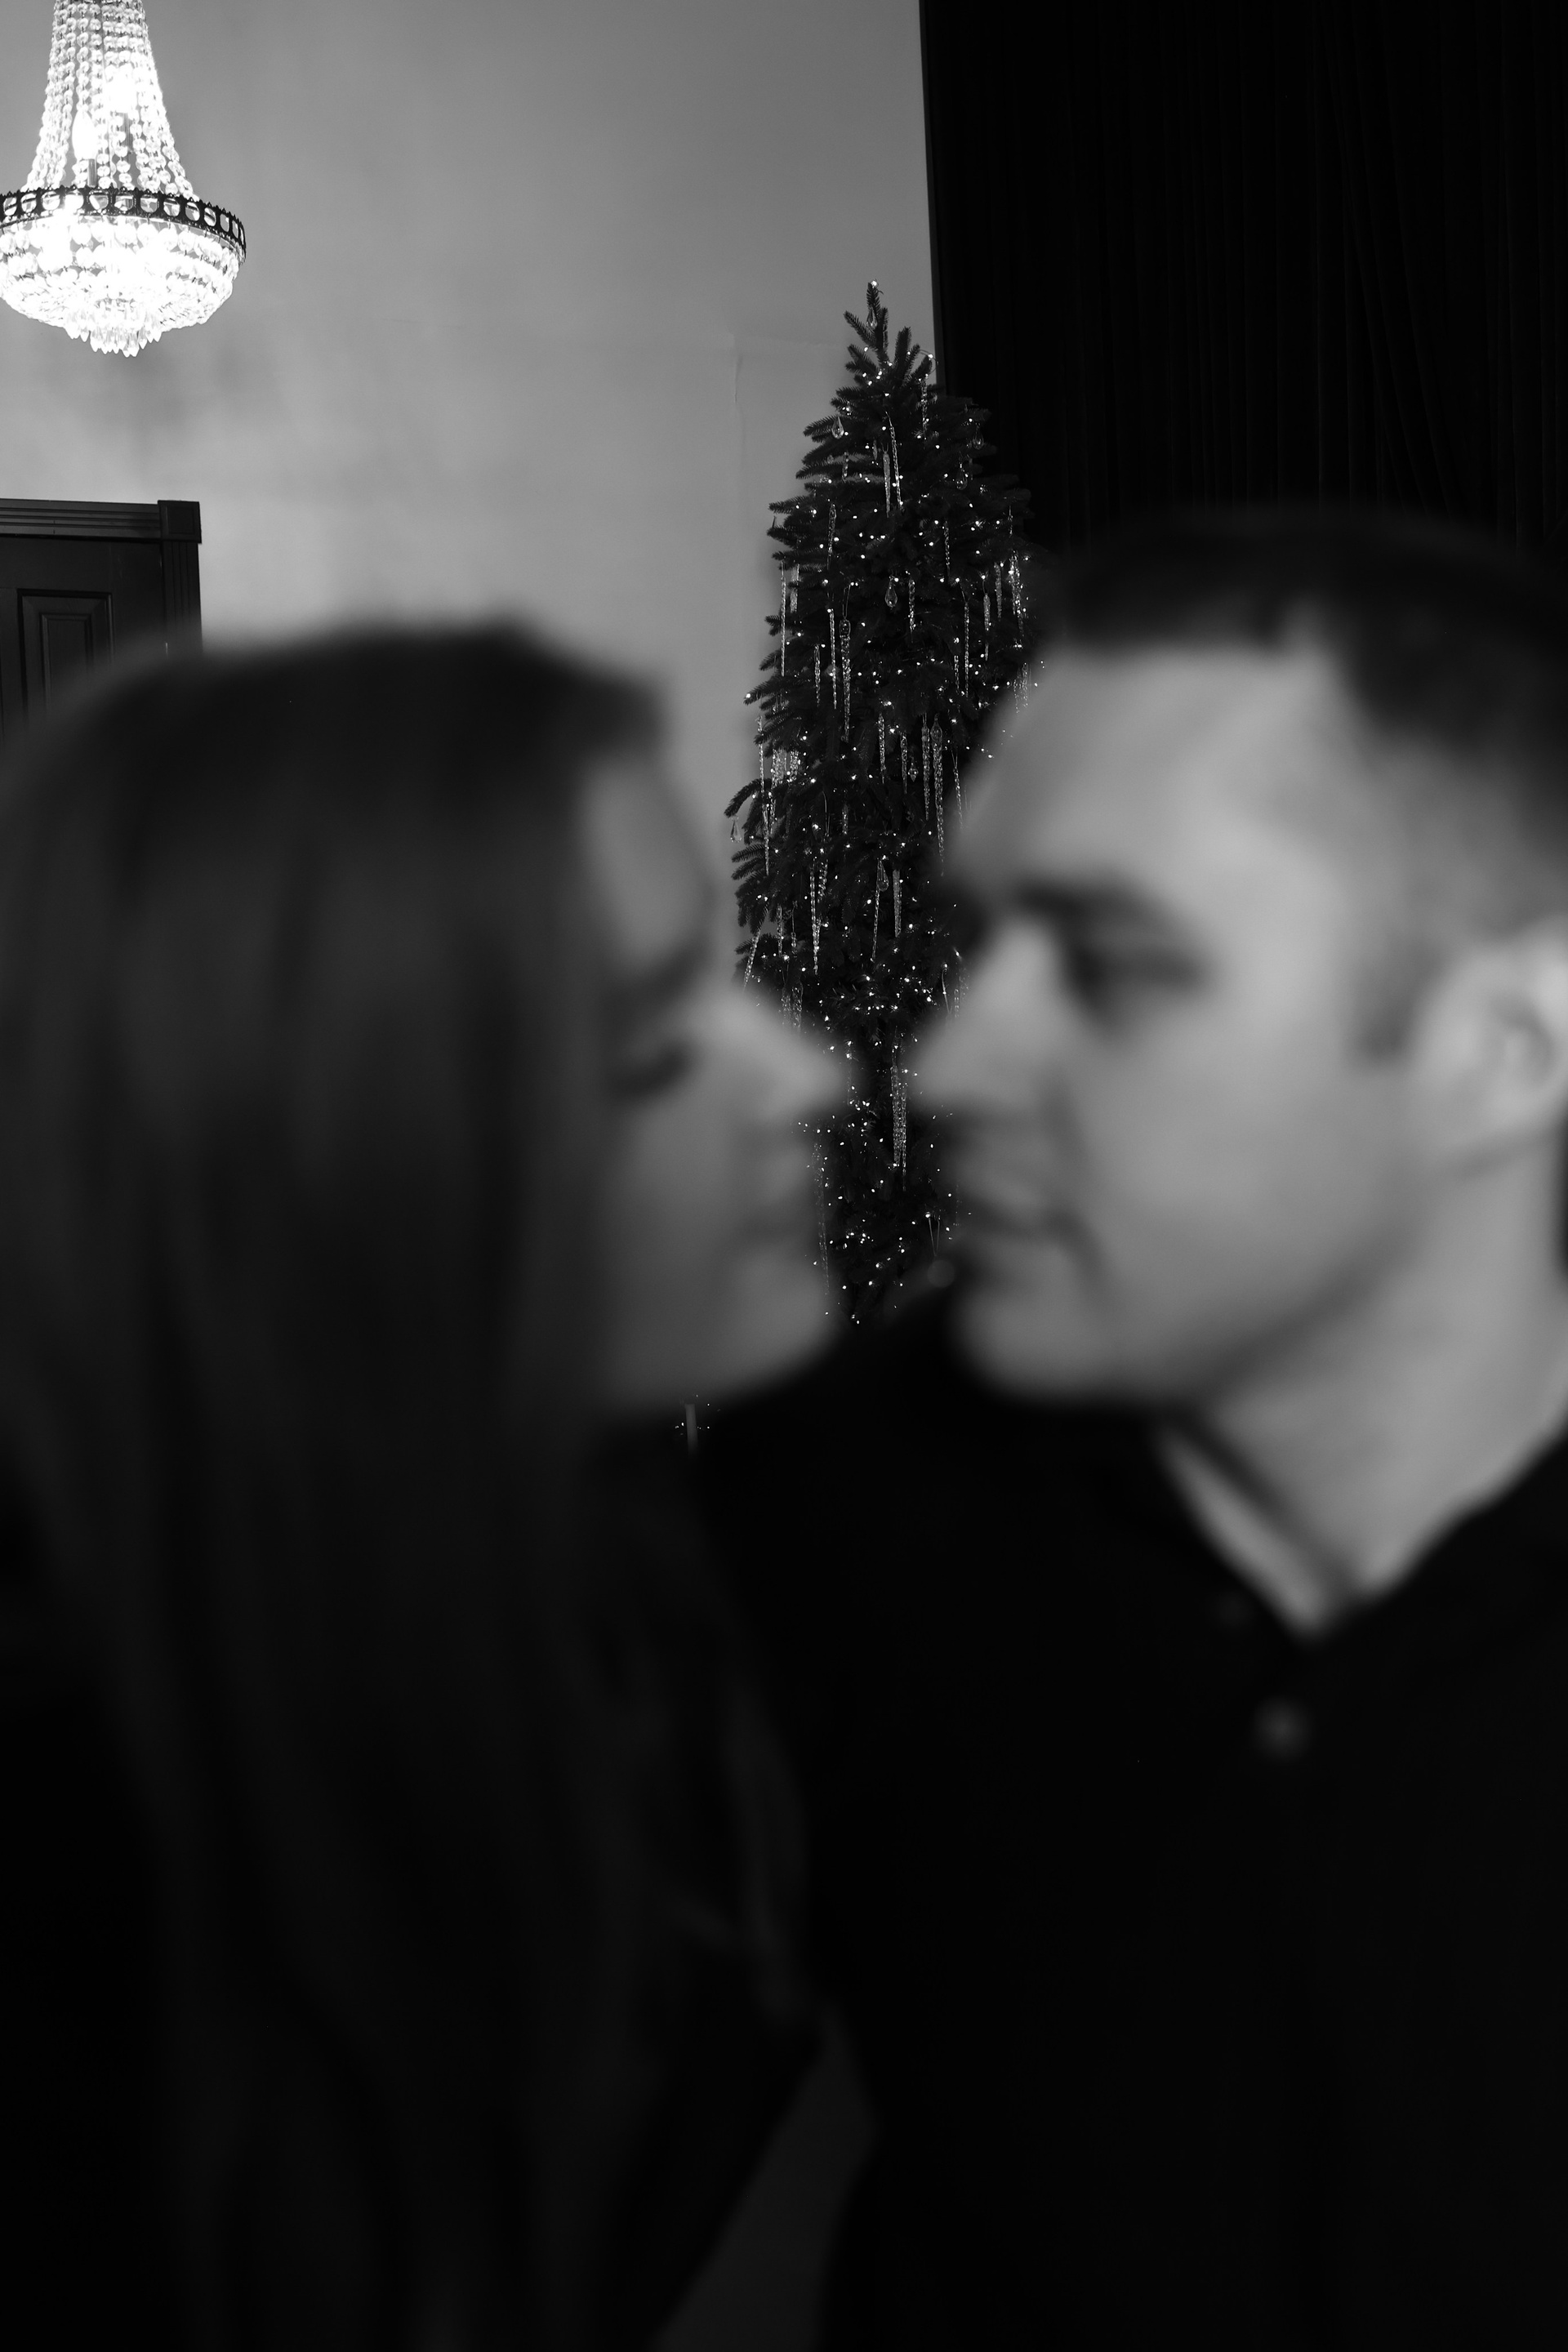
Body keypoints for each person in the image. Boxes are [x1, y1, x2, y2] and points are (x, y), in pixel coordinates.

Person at [698, 510, 1568, 2350]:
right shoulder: (833, 1505)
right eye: (980, 942)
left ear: (1509, 1047)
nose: (944, 1065)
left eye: (1116, 965)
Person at [0, 628, 834, 2352]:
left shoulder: (661, 1576)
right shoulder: (81, 1831)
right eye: (651, 1043)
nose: (804, 1077)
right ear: (344, 1144)